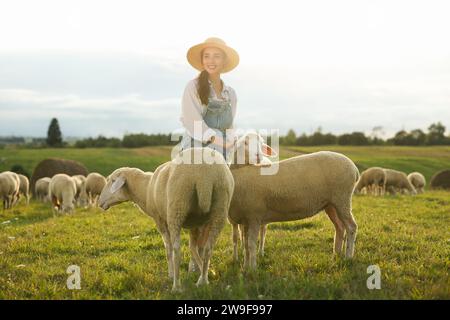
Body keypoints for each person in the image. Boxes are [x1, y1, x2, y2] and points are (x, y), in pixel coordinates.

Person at [179, 37, 239, 162]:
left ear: (224, 60)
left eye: (216, 56)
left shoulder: (231, 94)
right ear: (202, 60)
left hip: (222, 151)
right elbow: (193, 123)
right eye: (206, 56)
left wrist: (232, 140)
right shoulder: (193, 87)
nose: (211, 61)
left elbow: (230, 126)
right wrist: (222, 143)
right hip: (195, 150)